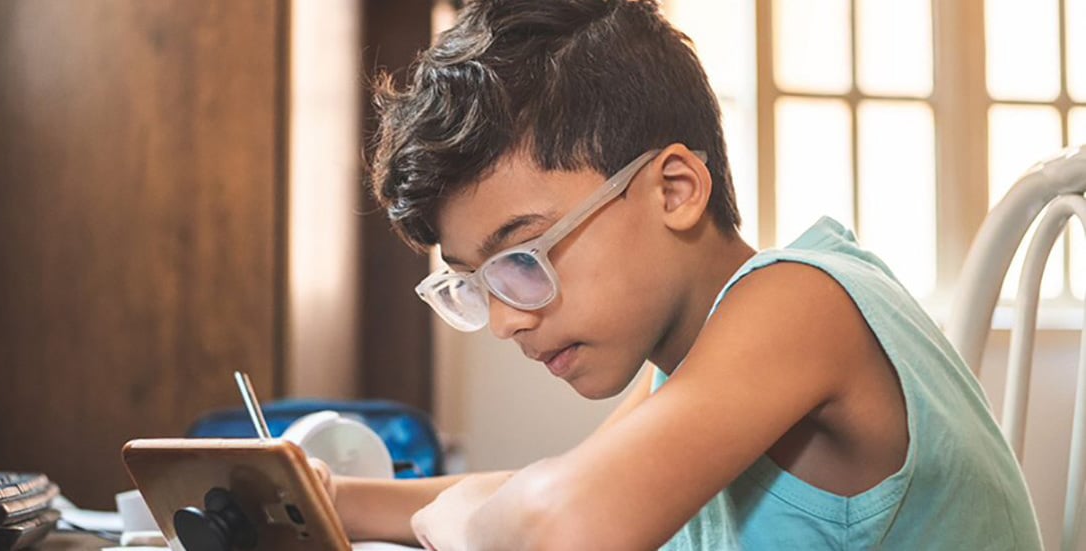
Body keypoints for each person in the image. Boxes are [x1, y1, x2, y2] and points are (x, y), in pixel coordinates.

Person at [316, 0, 1042, 548]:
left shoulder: (801, 302)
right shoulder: (690, 361)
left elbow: (564, 521)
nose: (505, 319)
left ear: (675, 190)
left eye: (521, 257)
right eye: (475, 282)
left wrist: (454, 518)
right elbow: (562, 484)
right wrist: (331, 495)